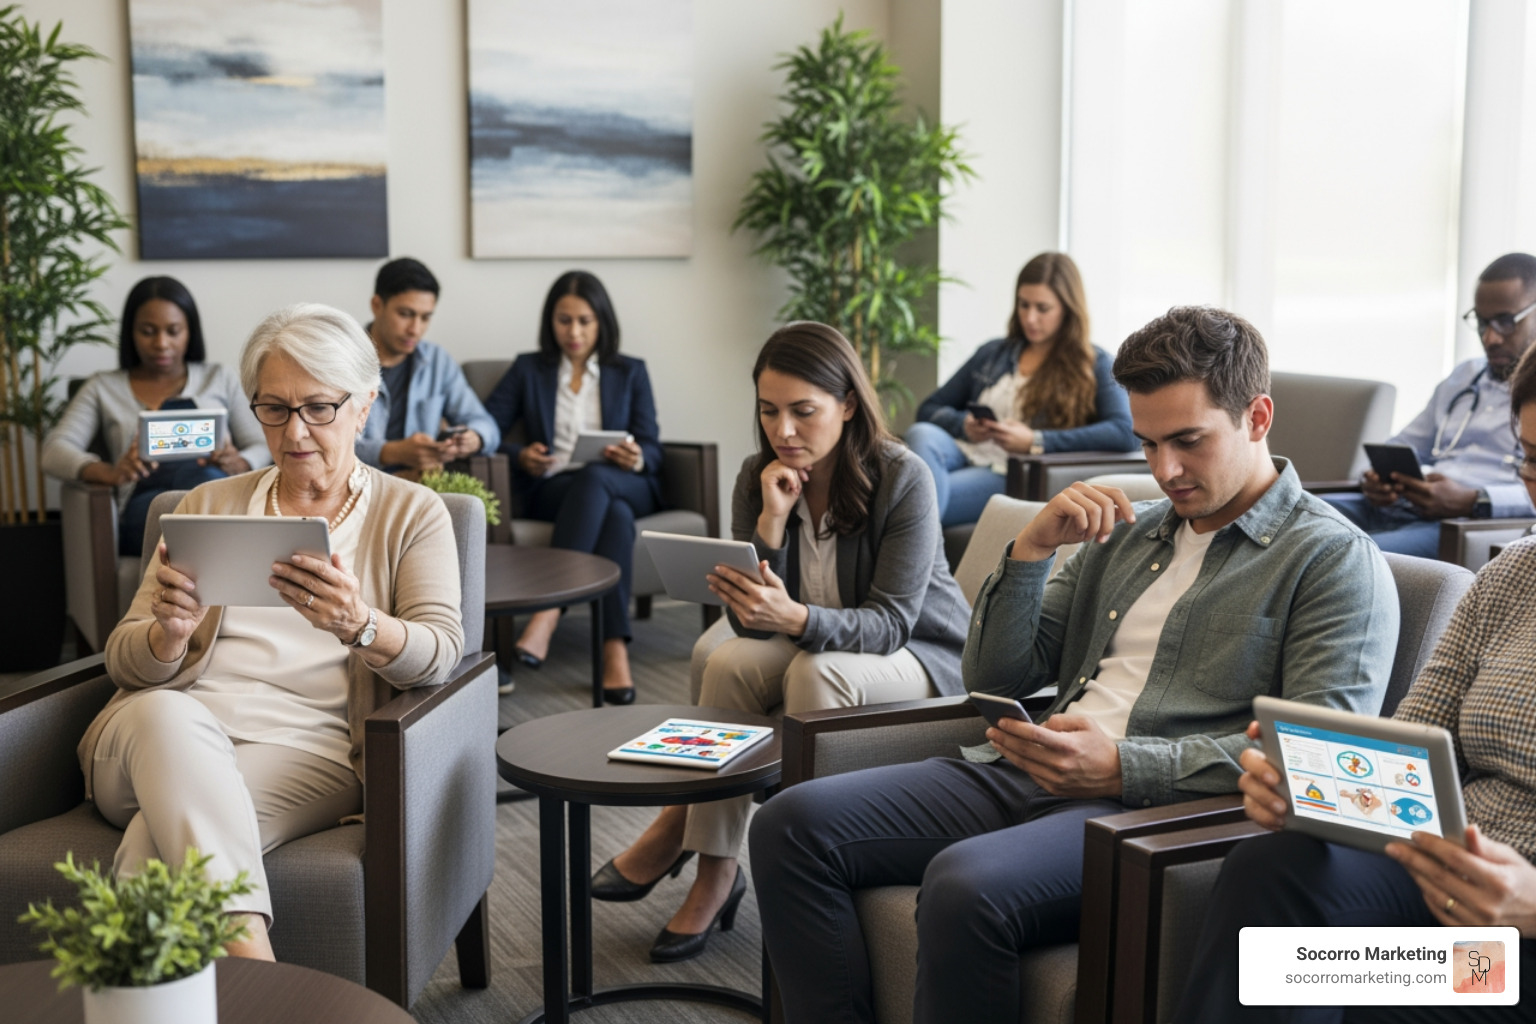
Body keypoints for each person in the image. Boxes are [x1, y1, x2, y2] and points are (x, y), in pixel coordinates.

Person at [749, 305, 1401, 1024]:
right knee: (788, 825)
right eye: (1148, 444)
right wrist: (1030, 551)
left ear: (1257, 416)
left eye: (1188, 441)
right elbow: (994, 680)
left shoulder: (1331, 559)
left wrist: (1125, 766)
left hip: (1153, 810)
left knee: (967, 886)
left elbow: (1318, 761)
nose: (1165, 470)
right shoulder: (1127, 530)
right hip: (1029, 768)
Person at [77, 304, 465, 960]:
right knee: (171, 715)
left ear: (365, 406)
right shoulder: (205, 504)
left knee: (155, 846)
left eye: (319, 408)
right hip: (152, 735)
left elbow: (441, 654)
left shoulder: (412, 513)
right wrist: (167, 638)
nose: (296, 432)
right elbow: (123, 661)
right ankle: (255, 958)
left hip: (307, 752)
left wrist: (360, 624)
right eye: (274, 409)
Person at [1173, 347, 1536, 1024]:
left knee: (1355, 991)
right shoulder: (1514, 578)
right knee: (1273, 875)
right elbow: (1415, 745)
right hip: (1445, 879)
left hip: (1514, 951)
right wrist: (1325, 794)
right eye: (1534, 460)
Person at [593, 321, 968, 963]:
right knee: (730, 664)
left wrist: (794, 620)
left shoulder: (903, 477)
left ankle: (791, 858)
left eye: (804, 412)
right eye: (769, 411)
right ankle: (717, 869)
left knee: (815, 676)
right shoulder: (756, 475)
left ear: (848, 405)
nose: (783, 430)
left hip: (920, 656)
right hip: (819, 639)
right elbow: (746, 624)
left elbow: (891, 624)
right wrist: (770, 524)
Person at [483, 271, 663, 704]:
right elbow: (488, 430)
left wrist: (634, 457)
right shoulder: (529, 369)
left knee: (600, 478)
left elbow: (653, 445)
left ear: (602, 321)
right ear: (551, 322)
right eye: (564, 321)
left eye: (585, 321)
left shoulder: (630, 371)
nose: (575, 332)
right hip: (556, 489)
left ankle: (547, 612)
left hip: (623, 481)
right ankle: (614, 648)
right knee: (613, 515)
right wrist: (522, 453)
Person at [1323, 252, 1536, 557]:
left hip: (1462, 524)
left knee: (1348, 553)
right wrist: (1378, 479)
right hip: (1404, 506)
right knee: (1289, 515)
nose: (1490, 338)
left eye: (1505, 322)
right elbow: (1403, 445)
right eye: (1482, 322)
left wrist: (1472, 499)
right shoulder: (1464, 376)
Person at [41, 276, 270, 556]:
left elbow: (263, 443)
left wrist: (241, 461)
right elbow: (53, 451)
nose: (161, 343)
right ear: (131, 333)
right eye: (148, 331)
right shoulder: (102, 387)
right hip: (145, 504)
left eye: (173, 331)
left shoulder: (219, 378)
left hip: (211, 489)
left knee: (206, 486)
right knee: (181, 504)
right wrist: (110, 472)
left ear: (190, 332)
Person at [904, 252, 1136, 527]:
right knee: (922, 433)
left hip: (1009, 471)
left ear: (1067, 308)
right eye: (1023, 305)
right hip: (964, 449)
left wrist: (1036, 441)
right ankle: (930, 566)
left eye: (1042, 308)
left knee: (908, 498)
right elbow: (928, 409)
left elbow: (1124, 431)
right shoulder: (993, 353)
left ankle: (922, 564)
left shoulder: (1095, 363)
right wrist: (964, 426)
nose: (1030, 318)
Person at [355, 257, 500, 475]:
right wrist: (390, 452)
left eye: (425, 318)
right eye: (405, 314)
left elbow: (485, 424)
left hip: (422, 487)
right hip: (358, 485)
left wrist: (475, 438)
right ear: (377, 305)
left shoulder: (437, 361)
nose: (415, 329)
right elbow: (323, 442)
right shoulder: (342, 360)